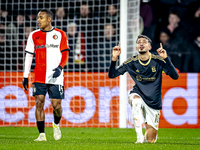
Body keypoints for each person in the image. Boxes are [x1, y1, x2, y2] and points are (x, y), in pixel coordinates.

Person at [108, 35, 179, 143]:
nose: (141, 43)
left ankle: (146, 136)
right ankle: (139, 137)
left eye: (144, 42)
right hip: (138, 93)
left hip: (153, 101)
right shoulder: (131, 62)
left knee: (151, 140)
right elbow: (112, 75)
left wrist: (166, 58)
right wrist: (114, 59)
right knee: (136, 101)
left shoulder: (158, 61)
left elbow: (175, 76)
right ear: (137, 47)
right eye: (139, 42)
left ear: (149, 47)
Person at [22, 9, 70, 141]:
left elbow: (65, 53)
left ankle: (56, 124)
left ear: (49, 19)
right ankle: (41, 134)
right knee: (39, 102)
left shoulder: (60, 34)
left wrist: (60, 67)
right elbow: (29, 55)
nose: (38, 20)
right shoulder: (33, 35)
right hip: (39, 75)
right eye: (38, 18)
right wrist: (25, 75)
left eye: (41, 18)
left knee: (57, 106)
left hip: (56, 75)